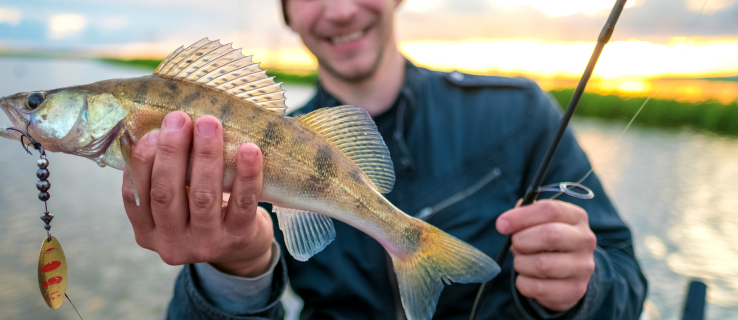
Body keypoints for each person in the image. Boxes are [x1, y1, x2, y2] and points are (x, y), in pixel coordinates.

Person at [120, 0, 648, 318]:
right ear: (287, 12)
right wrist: (234, 274)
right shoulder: (239, 154)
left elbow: (626, 276)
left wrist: (582, 289)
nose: (340, 10)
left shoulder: (520, 114)